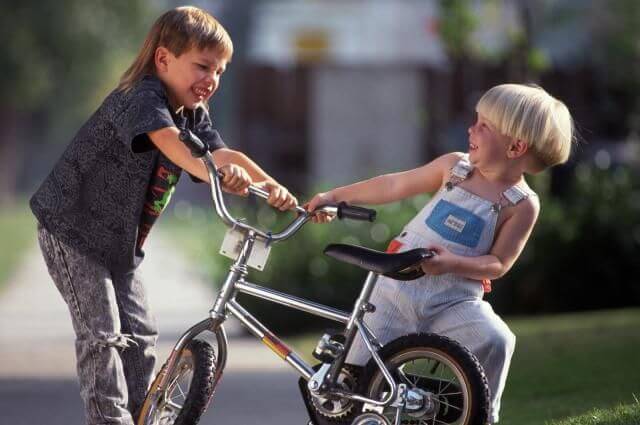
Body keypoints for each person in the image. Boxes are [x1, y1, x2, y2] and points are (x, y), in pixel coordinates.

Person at [30, 6, 297, 425]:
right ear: (164, 60)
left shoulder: (192, 114)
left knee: (141, 336)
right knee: (102, 335)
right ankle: (109, 420)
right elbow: (172, 145)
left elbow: (224, 153)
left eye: (221, 71)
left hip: (120, 243)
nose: (212, 79)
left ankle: (142, 415)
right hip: (73, 229)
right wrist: (212, 170)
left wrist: (275, 189)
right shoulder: (141, 97)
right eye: (203, 66)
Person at [306, 83, 574, 423]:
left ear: (516, 146)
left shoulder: (521, 205)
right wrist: (335, 196)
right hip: (394, 292)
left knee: (497, 339)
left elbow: (498, 263)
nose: (471, 129)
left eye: (483, 126)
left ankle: (480, 414)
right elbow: (393, 185)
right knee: (350, 381)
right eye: (475, 121)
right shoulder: (455, 168)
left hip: (455, 301)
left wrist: (451, 263)